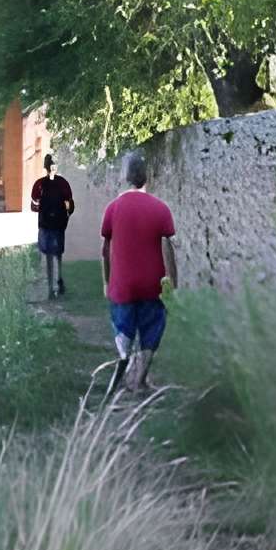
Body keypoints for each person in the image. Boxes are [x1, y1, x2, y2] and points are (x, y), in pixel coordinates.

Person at [98, 150, 176, 393]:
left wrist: (106, 281)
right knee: (152, 328)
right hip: (152, 284)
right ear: (147, 177)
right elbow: (168, 249)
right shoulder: (161, 208)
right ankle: (139, 378)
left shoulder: (113, 209)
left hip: (122, 284)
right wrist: (173, 282)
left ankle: (124, 358)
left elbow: (105, 250)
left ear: (125, 177)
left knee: (123, 326)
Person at [29, 153, 75, 299]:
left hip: (45, 224)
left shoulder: (40, 184)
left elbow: (33, 204)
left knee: (48, 255)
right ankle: (59, 279)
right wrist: (66, 214)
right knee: (58, 254)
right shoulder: (63, 183)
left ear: (45, 166)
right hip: (59, 223)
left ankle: (50, 288)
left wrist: (40, 209)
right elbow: (70, 204)